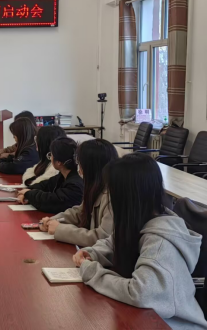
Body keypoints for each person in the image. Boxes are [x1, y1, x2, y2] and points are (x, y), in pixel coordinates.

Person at [73, 153, 207, 330]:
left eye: (113, 192)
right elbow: (113, 242)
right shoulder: (140, 220)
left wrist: (92, 272)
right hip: (145, 319)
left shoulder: (161, 243)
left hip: (171, 325)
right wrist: (92, 253)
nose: (110, 199)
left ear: (127, 197)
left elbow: (141, 294)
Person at [39, 139, 119, 247]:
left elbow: (102, 237)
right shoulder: (96, 187)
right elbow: (79, 212)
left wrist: (60, 229)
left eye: (80, 164)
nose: (79, 170)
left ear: (91, 167)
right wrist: (52, 220)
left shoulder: (112, 196)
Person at [17, 138, 83, 213]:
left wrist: (28, 194)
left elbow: (51, 201)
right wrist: (27, 191)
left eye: (51, 155)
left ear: (59, 162)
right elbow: (45, 185)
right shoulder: (63, 176)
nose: (50, 158)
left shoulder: (75, 185)